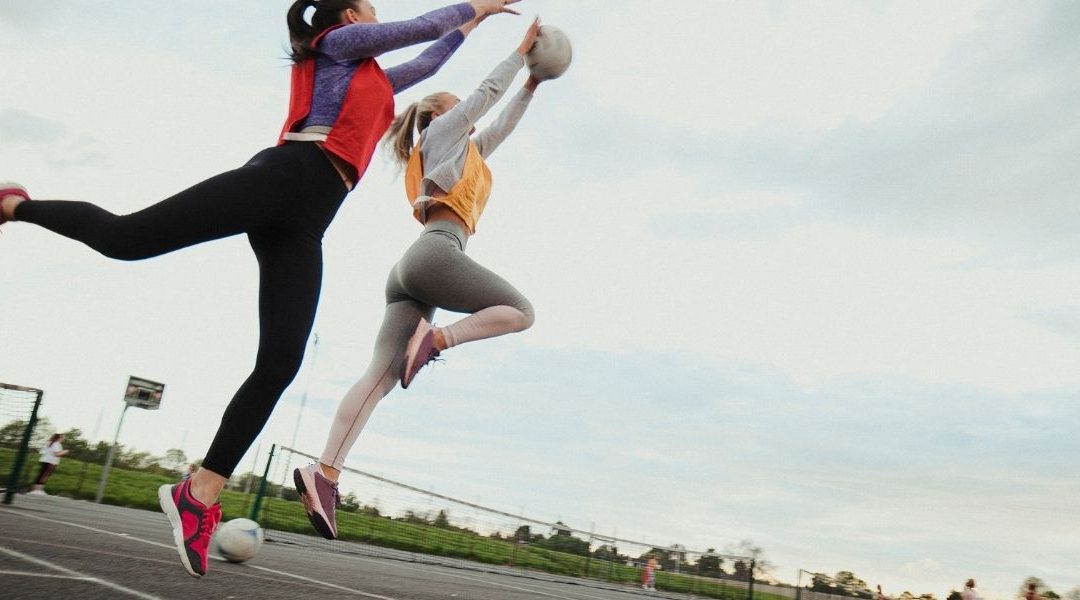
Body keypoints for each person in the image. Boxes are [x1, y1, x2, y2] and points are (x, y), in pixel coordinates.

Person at [0, 0, 523, 578]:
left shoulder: (373, 77)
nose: (380, 15)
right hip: (284, 178)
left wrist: (474, 24)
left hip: (307, 220)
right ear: (349, 17)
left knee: (281, 362)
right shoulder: (335, 44)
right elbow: (424, 27)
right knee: (129, 238)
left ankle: (197, 495)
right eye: (372, 9)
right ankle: (17, 206)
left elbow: (430, 55)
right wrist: (477, 3)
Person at [293, 18, 547, 540]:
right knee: (521, 312)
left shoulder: (466, 155)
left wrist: (531, 85)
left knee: (379, 379)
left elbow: (499, 124)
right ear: (437, 113)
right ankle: (435, 340)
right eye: (458, 107)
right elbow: (483, 97)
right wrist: (517, 56)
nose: (470, 116)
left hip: (413, 269)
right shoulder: (440, 131)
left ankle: (325, 472)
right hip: (435, 256)